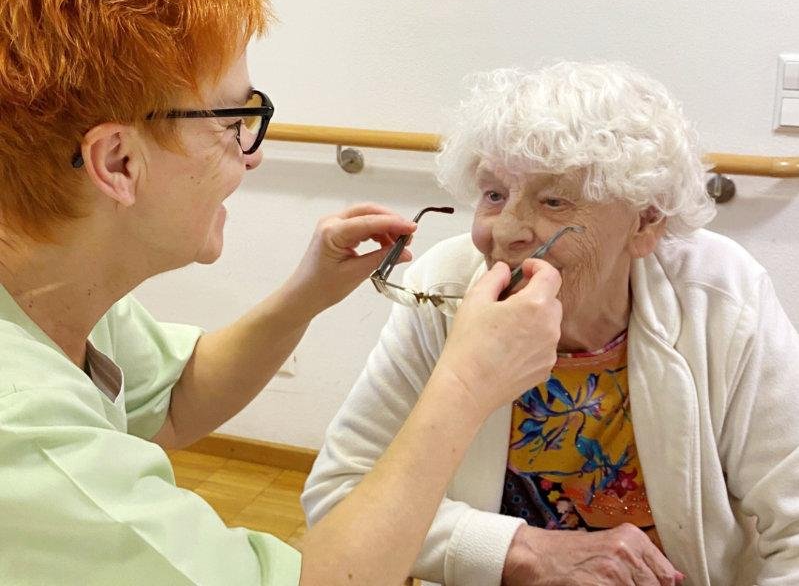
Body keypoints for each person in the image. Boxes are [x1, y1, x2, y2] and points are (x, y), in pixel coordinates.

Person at [0, 0, 565, 585]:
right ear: (117, 162)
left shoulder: (53, 287)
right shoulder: (24, 433)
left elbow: (171, 401)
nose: (254, 155)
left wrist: (309, 292)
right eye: (232, 122)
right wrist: (468, 382)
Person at [303, 62, 799, 586]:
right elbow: (340, 498)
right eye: (494, 195)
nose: (508, 231)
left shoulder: (721, 294)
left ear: (645, 222)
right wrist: (524, 551)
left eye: (553, 200)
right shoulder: (446, 287)